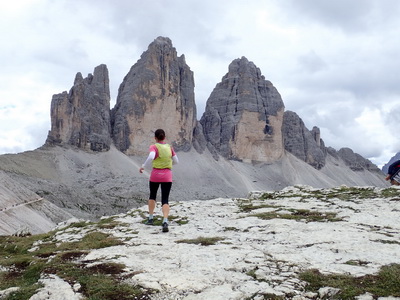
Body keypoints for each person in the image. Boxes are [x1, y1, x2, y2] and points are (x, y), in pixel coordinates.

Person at [139, 129, 179, 232]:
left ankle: (151, 218)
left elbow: (151, 156)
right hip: (167, 175)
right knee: (165, 199)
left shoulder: (154, 146)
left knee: (152, 195)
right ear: (164, 137)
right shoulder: (170, 148)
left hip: (155, 174)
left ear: (155, 138)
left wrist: (143, 166)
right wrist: (167, 164)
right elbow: (176, 161)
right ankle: (165, 220)